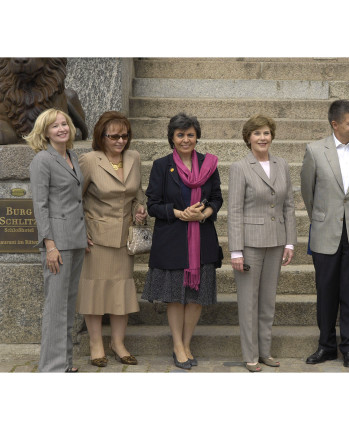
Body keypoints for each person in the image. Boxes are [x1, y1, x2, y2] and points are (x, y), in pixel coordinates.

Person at [300, 100, 349, 368]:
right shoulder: (314, 150)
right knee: (325, 292)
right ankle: (326, 346)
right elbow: (307, 192)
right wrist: (323, 218)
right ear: (335, 124)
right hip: (325, 231)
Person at [142, 113, 222, 370]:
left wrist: (204, 214)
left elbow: (217, 198)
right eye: (180, 135)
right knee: (175, 297)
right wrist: (179, 213)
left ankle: (187, 343)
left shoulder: (209, 164)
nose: (186, 139)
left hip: (202, 239)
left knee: (196, 297)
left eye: (190, 134)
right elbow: (152, 205)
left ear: (197, 136)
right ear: (172, 138)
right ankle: (177, 345)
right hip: (172, 239)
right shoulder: (161, 166)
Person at [77, 111, 147, 367]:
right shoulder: (89, 160)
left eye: (125, 136)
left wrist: (140, 207)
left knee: (121, 294)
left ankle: (118, 343)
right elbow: (75, 198)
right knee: (94, 294)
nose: (120, 141)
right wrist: (79, 231)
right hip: (95, 239)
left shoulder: (134, 157)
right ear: (101, 136)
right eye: (114, 136)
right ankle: (96, 344)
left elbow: (138, 192)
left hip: (124, 239)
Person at [228, 114, 297, 372]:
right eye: (257, 133)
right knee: (248, 301)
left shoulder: (282, 164)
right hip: (249, 244)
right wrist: (236, 250)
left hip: (277, 241)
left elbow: (289, 205)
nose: (262, 138)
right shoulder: (240, 167)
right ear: (248, 138)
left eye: (266, 133)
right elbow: (234, 210)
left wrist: (290, 242)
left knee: (268, 300)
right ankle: (251, 355)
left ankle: (265, 350)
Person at [26, 108, 88, 372]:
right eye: (55, 126)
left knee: (68, 305)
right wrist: (49, 245)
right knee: (55, 307)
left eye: (65, 124)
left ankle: (65, 363)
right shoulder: (43, 160)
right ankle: (51, 369)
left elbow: (76, 200)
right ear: (45, 132)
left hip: (76, 239)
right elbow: (40, 206)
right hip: (58, 244)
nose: (62, 128)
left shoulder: (73, 155)